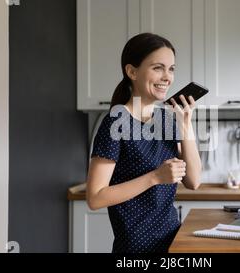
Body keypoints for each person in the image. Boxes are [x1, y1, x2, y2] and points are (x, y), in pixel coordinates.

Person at [85, 33, 202, 253]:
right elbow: (95, 198)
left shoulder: (167, 120)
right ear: (132, 71)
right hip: (136, 249)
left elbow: (194, 181)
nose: (167, 77)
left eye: (172, 69)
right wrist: (155, 177)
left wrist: (186, 125)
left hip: (171, 243)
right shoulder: (115, 122)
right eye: (158, 68)